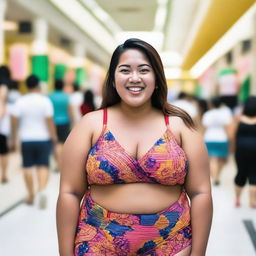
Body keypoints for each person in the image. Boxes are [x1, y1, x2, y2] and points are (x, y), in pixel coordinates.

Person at [56, 38, 212, 256]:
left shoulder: (180, 126)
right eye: (125, 70)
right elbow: (70, 192)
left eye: (144, 70)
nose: (135, 77)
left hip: (171, 240)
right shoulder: (90, 124)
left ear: (157, 78)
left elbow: (201, 192)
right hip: (98, 239)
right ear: (113, 79)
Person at [11, 75, 57, 207]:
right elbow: (49, 121)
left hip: (26, 139)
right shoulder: (45, 101)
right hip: (43, 138)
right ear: (38, 85)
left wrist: (14, 138)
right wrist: (53, 137)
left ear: (26, 86)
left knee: (27, 167)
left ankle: (31, 195)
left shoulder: (20, 101)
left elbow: (14, 121)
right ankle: (41, 191)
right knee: (43, 165)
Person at [231, 96, 256, 208]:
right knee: (254, 174)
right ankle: (253, 201)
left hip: (241, 149)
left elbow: (232, 135)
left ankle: (237, 200)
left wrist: (232, 150)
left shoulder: (238, 118)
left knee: (241, 173)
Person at [202, 96, 233, 185]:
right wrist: (229, 138)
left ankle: (215, 177)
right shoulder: (225, 114)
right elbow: (227, 127)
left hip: (209, 137)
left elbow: (204, 127)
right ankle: (217, 176)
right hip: (222, 138)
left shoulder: (207, 114)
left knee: (212, 159)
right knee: (221, 159)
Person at [49, 79, 73, 172]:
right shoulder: (66, 97)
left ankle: (58, 163)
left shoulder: (50, 97)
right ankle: (60, 164)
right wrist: (73, 121)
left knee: (55, 143)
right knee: (62, 143)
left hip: (53, 122)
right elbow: (69, 110)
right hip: (64, 122)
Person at [0, 65, 11, 183]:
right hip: (1, 124)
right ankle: (3, 174)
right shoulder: (4, 86)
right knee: (3, 150)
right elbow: (1, 103)